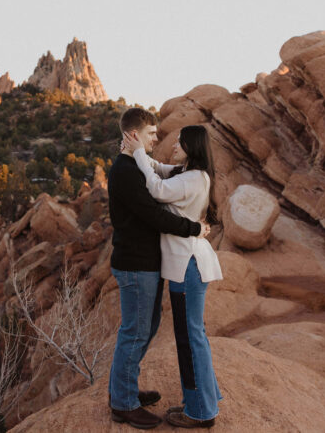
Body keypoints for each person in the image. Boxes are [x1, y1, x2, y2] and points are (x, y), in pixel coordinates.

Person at [108, 108, 211, 430]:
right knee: (135, 331)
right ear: (136, 135)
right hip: (136, 264)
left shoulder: (135, 166)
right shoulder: (125, 170)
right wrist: (193, 228)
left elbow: (160, 172)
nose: (158, 139)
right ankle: (123, 403)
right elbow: (153, 213)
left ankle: (126, 389)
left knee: (145, 329)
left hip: (147, 263)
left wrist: (142, 156)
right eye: (153, 134)